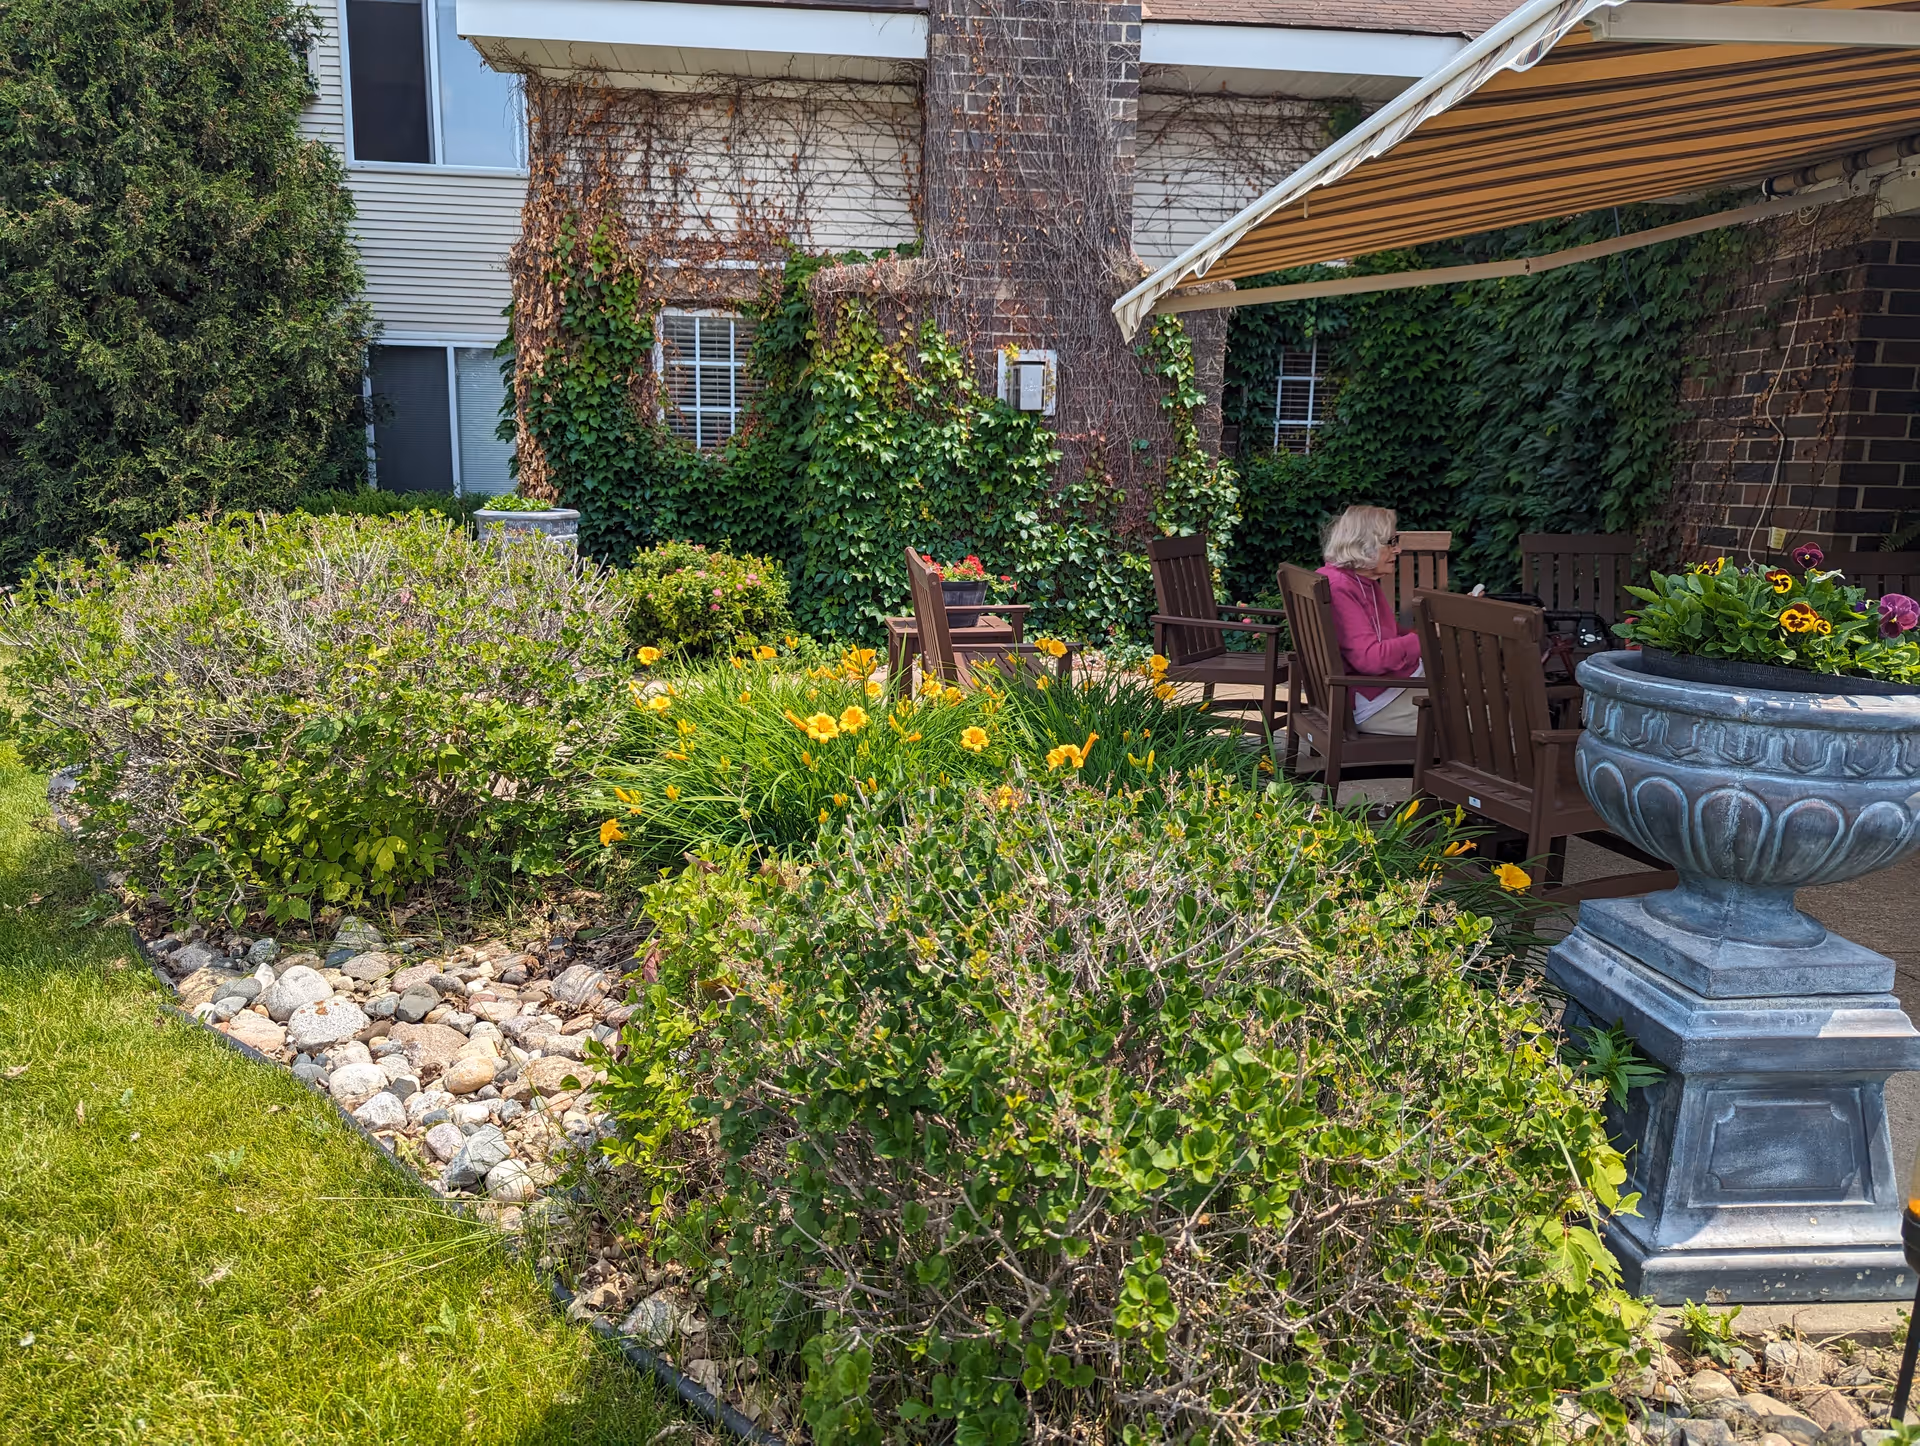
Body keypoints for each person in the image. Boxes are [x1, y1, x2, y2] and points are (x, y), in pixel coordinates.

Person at [1315, 505, 1422, 736]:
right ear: (1364, 543)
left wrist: (1425, 634)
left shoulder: (1356, 581)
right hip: (1372, 703)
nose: (1398, 549)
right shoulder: (1341, 588)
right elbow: (1370, 659)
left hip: (1378, 691)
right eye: (1391, 541)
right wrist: (1423, 640)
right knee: (1485, 718)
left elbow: (1386, 634)